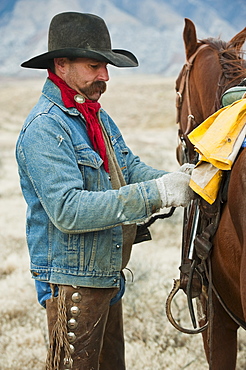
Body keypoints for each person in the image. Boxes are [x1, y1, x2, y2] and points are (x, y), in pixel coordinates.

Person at [16, 12, 194, 370]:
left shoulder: (95, 117)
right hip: (73, 288)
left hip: (104, 278)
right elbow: (69, 210)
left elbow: (129, 169)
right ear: (61, 65)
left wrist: (183, 181)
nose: (106, 76)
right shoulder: (45, 128)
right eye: (95, 65)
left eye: (106, 66)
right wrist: (158, 193)